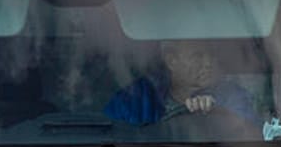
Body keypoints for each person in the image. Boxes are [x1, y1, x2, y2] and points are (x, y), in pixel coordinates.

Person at [103, 39, 269, 130]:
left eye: (211, 55)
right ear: (171, 60)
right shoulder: (135, 98)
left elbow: (253, 135)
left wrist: (218, 115)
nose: (209, 63)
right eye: (198, 56)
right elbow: (109, 134)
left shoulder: (232, 95)